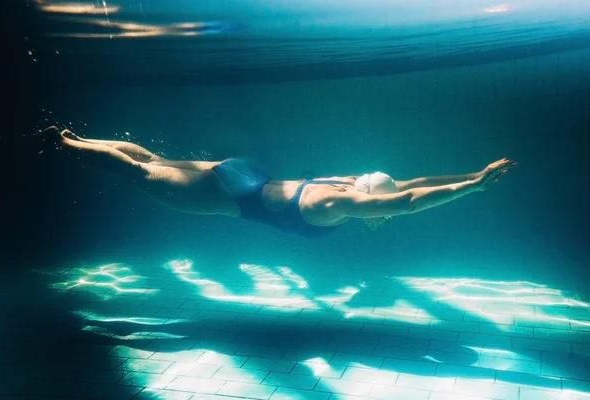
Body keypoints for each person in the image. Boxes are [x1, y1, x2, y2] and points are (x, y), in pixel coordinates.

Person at [37, 126, 517, 238]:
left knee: (152, 160)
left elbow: (410, 194)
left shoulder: (343, 191)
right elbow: (412, 191)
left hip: (242, 173)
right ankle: (64, 142)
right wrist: (472, 179)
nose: (370, 171)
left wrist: (475, 182)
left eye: (374, 177)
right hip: (230, 193)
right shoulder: (342, 201)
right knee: (143, 173)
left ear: (368, 192)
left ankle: (76, 138)